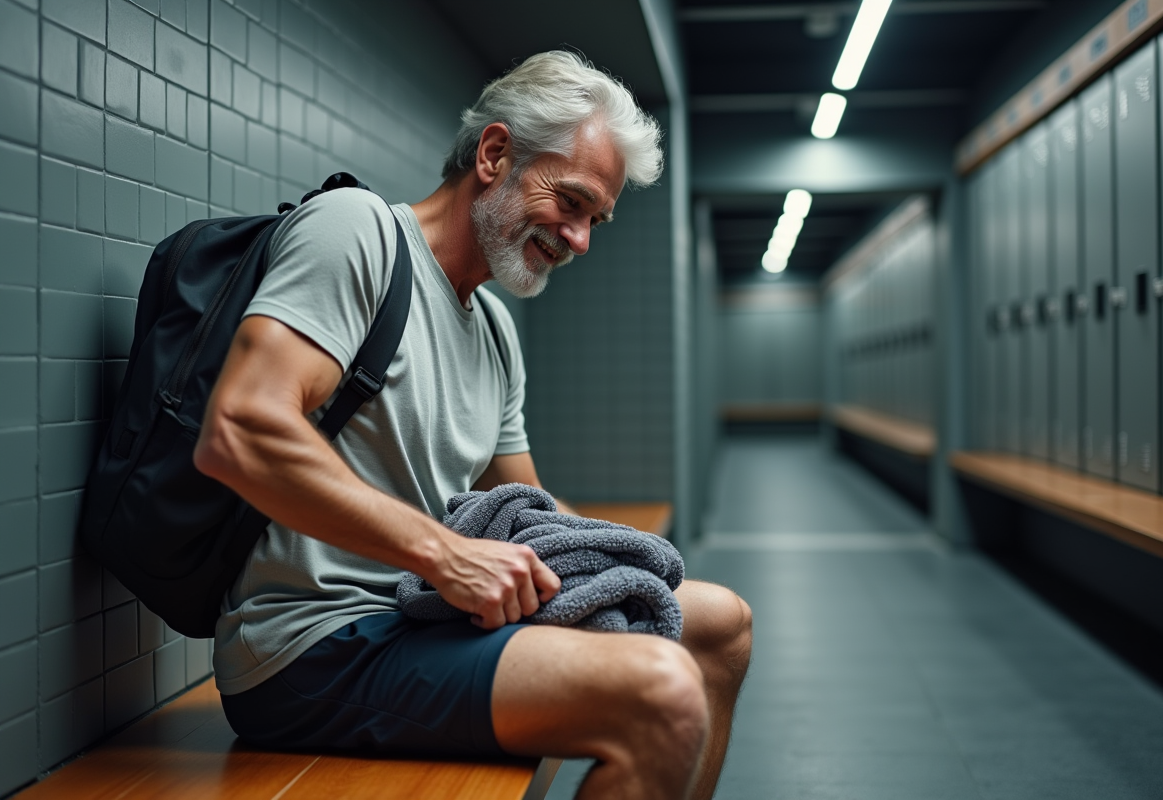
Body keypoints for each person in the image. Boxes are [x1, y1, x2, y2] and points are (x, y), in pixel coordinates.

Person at [194, 51, 752, 800]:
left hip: (418, 621)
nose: (581, 239)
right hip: (312, 643)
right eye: (574, 202)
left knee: (721, 624)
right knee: (660, 692)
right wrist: (446, 557)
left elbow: (527, 514)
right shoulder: (355, 234)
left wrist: (602, 575)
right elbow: (238, 430)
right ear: (494, 155)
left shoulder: (492, 326)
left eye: (597, 220)